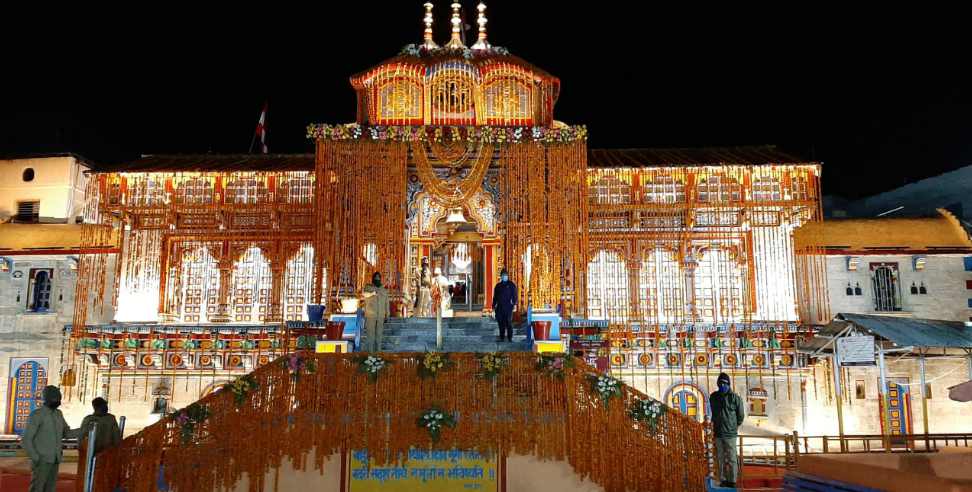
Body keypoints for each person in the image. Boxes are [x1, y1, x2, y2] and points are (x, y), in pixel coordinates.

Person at [22, 385, 79, 492]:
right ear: (47, 399)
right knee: (37, 488)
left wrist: (85, 429)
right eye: (56, 398)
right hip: (42, 460)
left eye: (59, 398)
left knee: (50, 489)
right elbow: (26, 440)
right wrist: (36, 458)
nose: (58, 401)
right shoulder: (37, 415)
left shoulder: (58, 414)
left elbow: (67, 433)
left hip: (55, 459)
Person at [710, 373, 745, 488]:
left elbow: (740, 416)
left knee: (731, 458)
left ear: (729, 384)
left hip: (730, 434)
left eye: (724, 383)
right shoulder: (713, 397)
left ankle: (732, 480)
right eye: (720, 383)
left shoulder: (735, 398)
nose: (722, 385)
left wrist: (733, 426)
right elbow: (713, 413)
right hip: (718, 433)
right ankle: (723, 479)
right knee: (720, 458)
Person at [362, 272, 390, 352]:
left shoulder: (384, 290)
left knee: (379, 335)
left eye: (378, 277)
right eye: (375, 277)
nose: (377, 279)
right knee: (370, 335)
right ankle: (370, 354)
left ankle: (378, 353)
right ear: (373, 278)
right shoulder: (368, 287)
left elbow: (386, 303)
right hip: (371, 315)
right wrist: (372, 293)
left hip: (381, 315)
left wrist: (387, 315)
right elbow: (364, 294)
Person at [492, 268, 517, 342]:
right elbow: (495, 297)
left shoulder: (511, 285)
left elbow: (514, 295)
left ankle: (510, 338)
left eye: (505, 275)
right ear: (501, 276)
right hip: (499, 307)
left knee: (508, 322)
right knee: (500, 323)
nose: (504, 276)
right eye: (503, 275)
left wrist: (515, 304)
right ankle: (502, 337)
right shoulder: (498, 286)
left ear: (507, 276)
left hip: (508, 307)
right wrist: (493, 307)